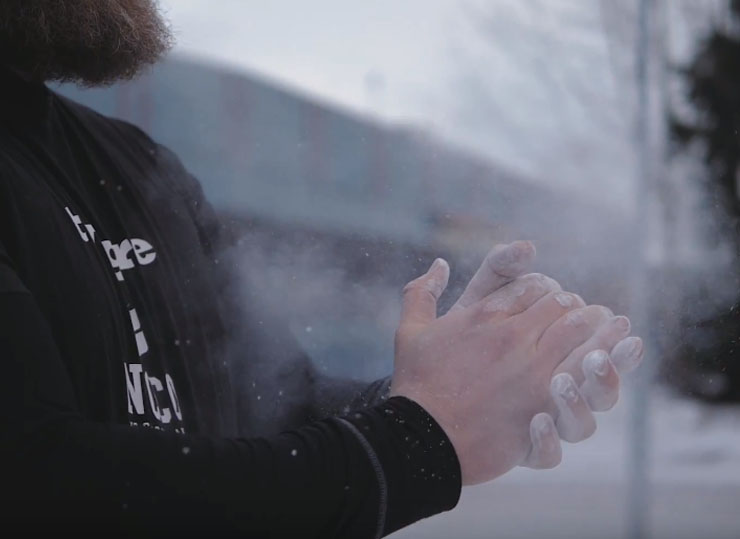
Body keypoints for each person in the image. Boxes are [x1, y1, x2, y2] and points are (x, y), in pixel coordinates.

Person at [0, 1, 644, 537]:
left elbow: (274, 402)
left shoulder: (136, 168)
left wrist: (447, 393)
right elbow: (42, 481)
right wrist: (413, 443)